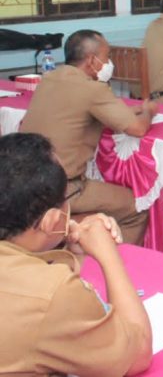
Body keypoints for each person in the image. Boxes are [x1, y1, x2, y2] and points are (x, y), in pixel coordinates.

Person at [0, 133, 153, 376]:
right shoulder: (51, 291)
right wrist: (108, 254)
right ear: (51, 220)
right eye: (66, 198)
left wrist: (71, 252)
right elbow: (138, 353)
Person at [21, 30, 155, 245]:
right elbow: (138, 129)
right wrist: (148, 112)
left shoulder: (49, 78)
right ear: (92, 60)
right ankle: (113, 260)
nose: (109, 63)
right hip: (63, 187)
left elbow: (84, 110)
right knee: (136, 207)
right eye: (107, 56)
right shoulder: (92, 89)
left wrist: (131, 111)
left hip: (25, 181)